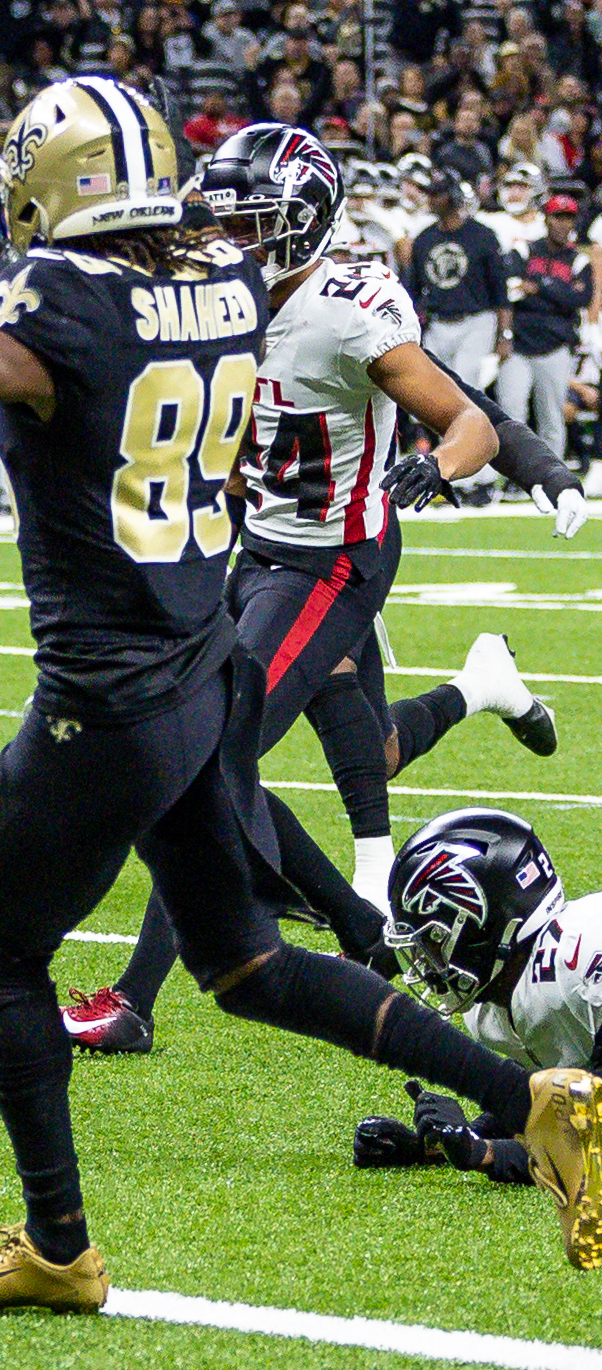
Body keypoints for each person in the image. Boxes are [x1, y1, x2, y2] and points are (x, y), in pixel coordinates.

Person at [0, 74, 602, 1300]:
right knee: (247, 970)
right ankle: (534, 1099)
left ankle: (58, 1248)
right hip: (196, 654)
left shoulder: (71, 296)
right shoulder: (230, 287)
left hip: (108, 688)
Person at [64, 125, 543, 1054]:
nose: (230, 242)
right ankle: (365, 929)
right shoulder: (215, 295)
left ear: (303, 224)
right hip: (258, 544)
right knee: (370, 752)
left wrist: (433, 466)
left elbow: (469, 423)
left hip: (333, 558)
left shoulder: (342, 308)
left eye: (253, 225)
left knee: (206, 757)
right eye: (226, 223)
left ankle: (135, 998)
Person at [354, 810, 597, 1223]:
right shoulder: (504, 998)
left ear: (486, 928)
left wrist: (486, 1154)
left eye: (435, 940)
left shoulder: (582, 960)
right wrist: (438, 1143)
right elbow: (546, 1105)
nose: (427, 964)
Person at [407, 175, 512, 500]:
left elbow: (500, 289)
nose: (432, 199)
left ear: (453, 196)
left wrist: (503, 333)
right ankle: (444, 472)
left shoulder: (481, 235)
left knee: (467, 396)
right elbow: (412, 289)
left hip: (476, 321)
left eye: (437, 193)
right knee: (433, 400)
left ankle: (473, 477)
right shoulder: (424, 238)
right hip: (437, 323)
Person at [499, 194, 589, 463]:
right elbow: (510, 286)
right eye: (557, 217)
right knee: (511, 414)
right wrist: (558, 294)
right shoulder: (525, 250)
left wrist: (539, 287)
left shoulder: (579, 260)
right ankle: (516, 476)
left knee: (552, 416)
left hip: (555, 347)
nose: (562, 224)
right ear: (546, 219)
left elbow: (579, 299)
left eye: (568, 218)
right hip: (518, 345)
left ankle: (552, 478)